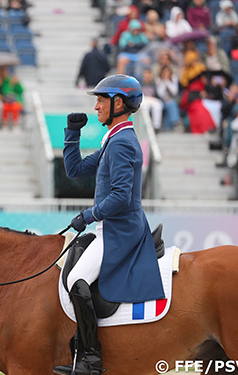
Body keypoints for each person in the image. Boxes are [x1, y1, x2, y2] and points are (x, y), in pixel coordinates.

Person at [53, 74, 165, 375]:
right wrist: (72, 134)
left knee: (77, 280)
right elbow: (74, 169)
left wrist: (87, 216)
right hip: (110, 227)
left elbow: (120, 199)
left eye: (101, 100)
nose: (96, 107)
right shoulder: (113, 140)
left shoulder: (123, 143)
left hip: (121, 230)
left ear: (119, 103)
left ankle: (91, 359)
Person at [155, 64, 182, 131]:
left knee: (171, 103)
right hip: (161, 100)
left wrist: (168, 81)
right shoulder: (158, 79)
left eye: (168, 72)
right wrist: (164, 81)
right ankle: (175, 122)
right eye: (165, 72)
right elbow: (160, 93)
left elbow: (174, 91)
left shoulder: (173, 78)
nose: (166, 74)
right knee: (170, 104)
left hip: (172, 99)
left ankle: (173, 125)